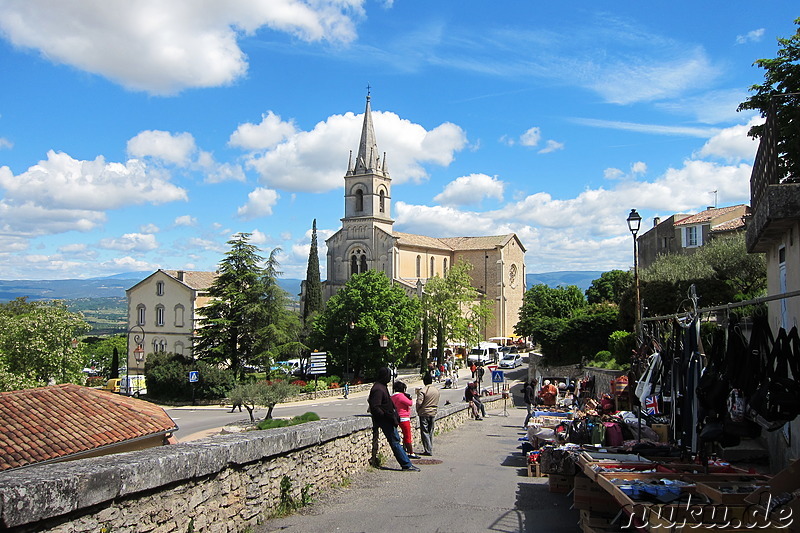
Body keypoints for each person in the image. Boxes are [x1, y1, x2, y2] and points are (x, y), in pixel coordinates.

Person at [368, 367, 420, 471]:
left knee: (396, 440)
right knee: (395, 442)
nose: (389, 378)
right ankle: (406, 464)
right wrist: (385, 416)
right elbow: (375, 406)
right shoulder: (378, 388)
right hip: (386, 420)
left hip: (388, 419)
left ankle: (407, 463)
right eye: (388, 376)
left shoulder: (381, 386)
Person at [391, 381, 420, 459]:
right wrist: (409, 397)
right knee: (407, 435)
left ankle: (404, 449)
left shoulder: (392, 396)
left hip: (396, 417)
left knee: (401, 435)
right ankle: (411, 452)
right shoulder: (401, 396)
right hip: (404, 417)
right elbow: (410, 403)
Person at [416, 372, 440, 456]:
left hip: (424, 412)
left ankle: (428, 449)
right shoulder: (436, 390)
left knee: (425, 431)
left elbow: (419, 402)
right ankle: (430, 447)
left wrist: (418, 410)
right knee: (430, 431)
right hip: (433, 412)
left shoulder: (423, 391)